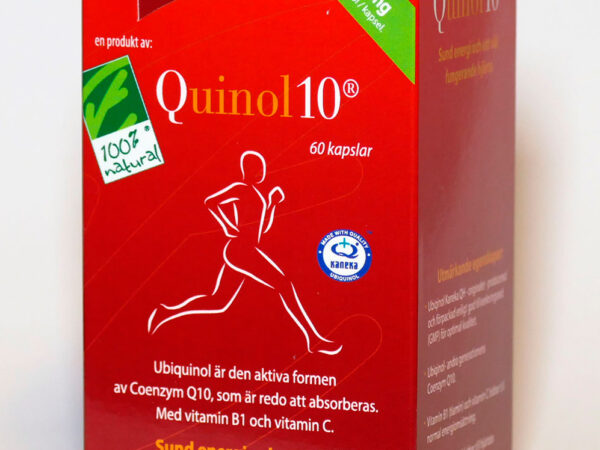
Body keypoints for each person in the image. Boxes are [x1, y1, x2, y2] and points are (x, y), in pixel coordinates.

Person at [148, 151, 342, 355]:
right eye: (257, 167)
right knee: (284, 284)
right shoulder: (240, 188)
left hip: (246, 250)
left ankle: (166, 312)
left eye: (262, 167)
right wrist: (227, 226)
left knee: (218, 302)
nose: (262, 170)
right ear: (247, 170)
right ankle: (313, 339)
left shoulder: (258, 196)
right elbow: (210, 202)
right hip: (240, 250)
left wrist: (273, 204)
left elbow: (262, 230)